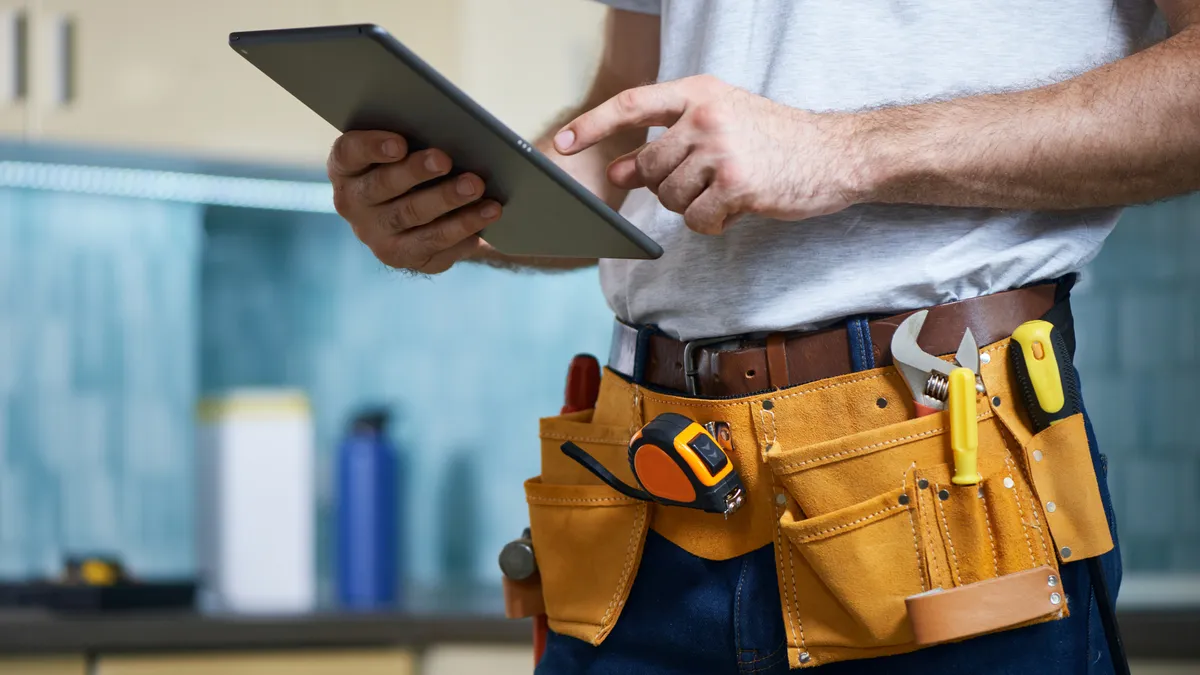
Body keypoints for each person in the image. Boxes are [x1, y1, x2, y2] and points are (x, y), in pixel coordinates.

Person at [327, 1, 1200, 672]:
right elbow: (627, 124)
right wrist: (471, 212)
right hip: (642, 500)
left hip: (940, 473)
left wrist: (843, 150)